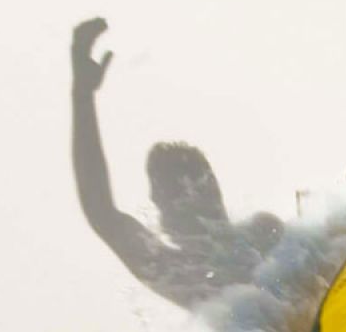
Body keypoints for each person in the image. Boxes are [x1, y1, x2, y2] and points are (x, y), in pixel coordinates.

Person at [70, 17, 283, 309]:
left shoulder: (181, 273)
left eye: (160, 197)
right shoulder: (264, 234)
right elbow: (101, 212)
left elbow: (100, 210)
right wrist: (82, 96)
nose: (156, 205)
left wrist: (82, 96)